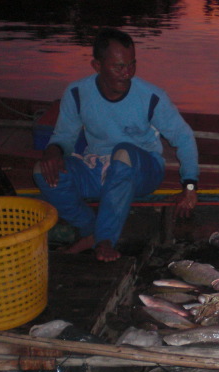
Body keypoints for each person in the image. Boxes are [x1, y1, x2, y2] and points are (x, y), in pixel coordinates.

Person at [34, 27, 198, 262]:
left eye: (132, 64)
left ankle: (105, 240)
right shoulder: (78, 92)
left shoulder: (151, 97)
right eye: (118, 67)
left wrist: (190, 186)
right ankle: (91, 230)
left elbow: (184, 137)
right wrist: (53, 151)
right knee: (42, 172)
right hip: (97, 167)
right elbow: (64, 137)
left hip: (142, 170)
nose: (127, 73)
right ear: (97, 66)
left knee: (123, 153)